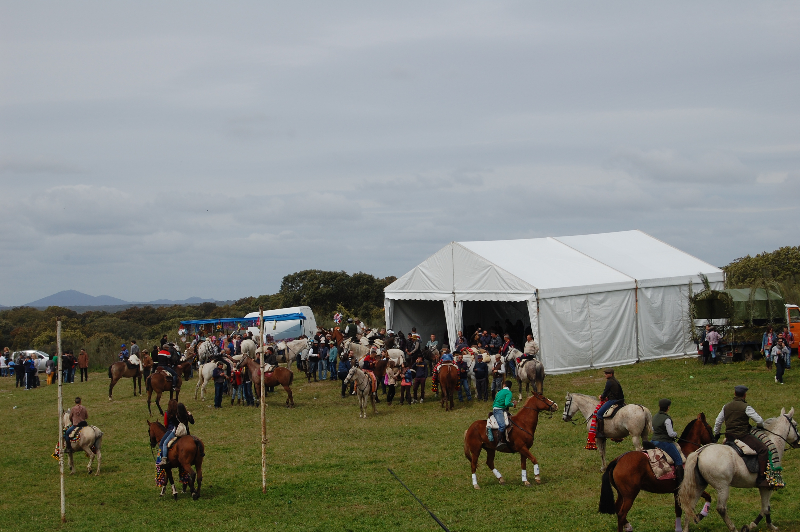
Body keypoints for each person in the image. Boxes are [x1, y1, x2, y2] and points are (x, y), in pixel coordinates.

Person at [713, 385, 770, 488]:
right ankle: (761, 478)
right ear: (745, 395)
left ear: (734, 394)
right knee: (763, 449)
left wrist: (716, 433)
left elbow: (718, 422)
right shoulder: (746, 407)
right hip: (743, 436)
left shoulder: (726, 406)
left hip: (729, 437)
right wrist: (759, 427)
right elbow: (760, 421)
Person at [651, 398, 684, 484]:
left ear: (659, 407)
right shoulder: (667, 419)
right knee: (678, 459)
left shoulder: (655, 417)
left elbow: (653, 429)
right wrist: (675, 434)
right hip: (664, 442)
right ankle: (680, 482)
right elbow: (670, 434)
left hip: (653, 441)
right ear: (668, 407)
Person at [595, 368, 624, 438]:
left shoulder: (609, 382)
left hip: (613, 400)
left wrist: (601, 396)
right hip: (620, 400)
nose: (605, 375)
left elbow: (605, 392)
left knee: (599, 414)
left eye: (606, 374)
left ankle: (601, 432)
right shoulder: (615, 381)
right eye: (605, 373)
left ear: (611, 374)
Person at [493, 380, 515, 445]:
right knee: (502, 425)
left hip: (497, 409)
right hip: (499, 410)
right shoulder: (509, 392)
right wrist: (513, 405)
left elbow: (495, 401)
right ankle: (499, 441)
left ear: (504, 385)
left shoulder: (499, 392)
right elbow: (507, 403)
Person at [157, 400, 179, 464]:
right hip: (179, 430)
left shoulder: (167, 413)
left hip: (171, 430)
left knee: (163, 443)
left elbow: (166, 424)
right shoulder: (178, 412)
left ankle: (164, 459)